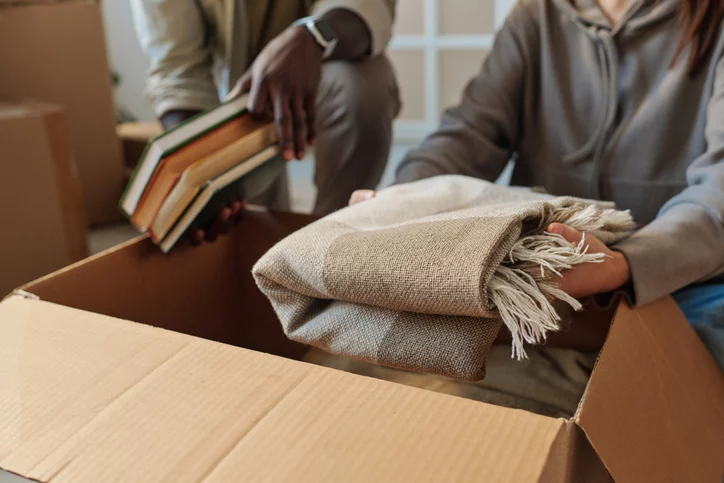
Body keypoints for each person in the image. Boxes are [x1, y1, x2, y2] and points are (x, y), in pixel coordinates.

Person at [350, 0, 724, 370]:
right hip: (542, 280)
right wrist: (403, 197)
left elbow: (717, 194)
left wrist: (624, 263)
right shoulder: (536, 15)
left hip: (683, 284)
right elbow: (470, 133)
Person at [130, 0, 401, 241]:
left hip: (321, 63)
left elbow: (369, 5)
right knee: (246, 233)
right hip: (229, 101)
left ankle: (332, 238)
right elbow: (178, 68)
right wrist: (198, 170)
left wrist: (313, 36)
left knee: (364, 89)